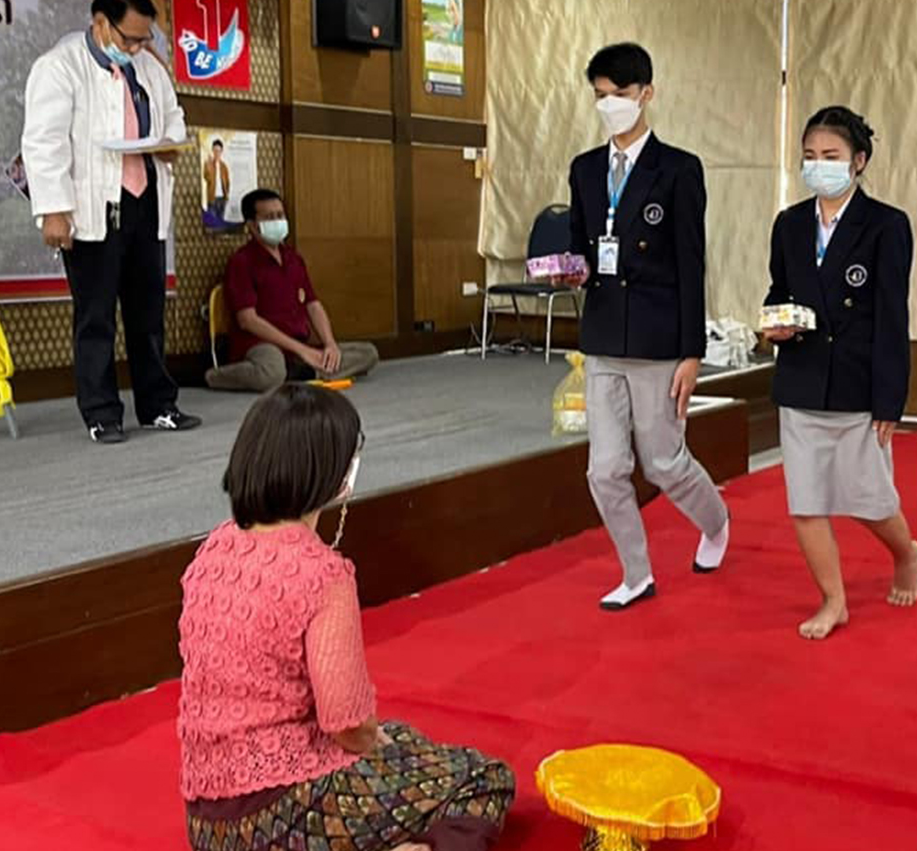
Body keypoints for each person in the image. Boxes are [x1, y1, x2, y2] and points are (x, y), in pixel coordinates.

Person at [178, 384, 515, 851]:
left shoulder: (213, 548)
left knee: (400, 739)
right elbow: (346, 724)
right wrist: (371, 744)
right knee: (481, 777)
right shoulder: (321, 574)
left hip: (206, 823)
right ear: (336, 477)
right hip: (287, 809)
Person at [558, 43, 730, 610]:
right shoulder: (584, 169)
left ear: (646, 94)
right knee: (604, 469)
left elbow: (690, 262)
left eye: (620, 96)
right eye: (601, 97)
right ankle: (636, 573)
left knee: (662, 461)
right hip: (605, 338)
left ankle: (716, 519)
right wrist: (570, 272)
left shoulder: (679, 169)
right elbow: (583, 245)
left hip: (659, 342)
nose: (610, 107)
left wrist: (691, 352)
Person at [762, 106, 917, 641]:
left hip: (858, 384)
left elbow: (892, 318)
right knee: (806, 501)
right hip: (802, 379)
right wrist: (773, 325)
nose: (818, 167)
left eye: (830, 157)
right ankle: (834, 600)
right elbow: (777, 294)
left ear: (858, 161)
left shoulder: (886, 226)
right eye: (809, 157)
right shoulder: (788, 224)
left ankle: (906, 552)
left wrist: (889, 401)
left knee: (870, 499)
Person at [22, 0, 200, 444]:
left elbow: (174, 121)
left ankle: (159, 405)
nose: (139, 47)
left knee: (148, 312)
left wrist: (170, 143)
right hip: (92, 204)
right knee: (96, 315)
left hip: (145, 199)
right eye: (131, 38)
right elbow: (43, 143)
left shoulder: (150, 68)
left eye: (146, 39)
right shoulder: (60, 67)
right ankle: (102, 413)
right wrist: (54, 210)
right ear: (101, 22)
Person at [205, 189, 381, 392]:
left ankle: (303, 370)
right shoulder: (241, 262)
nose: (277, 221)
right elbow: (248, 320)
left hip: (298, 346)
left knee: (368, 353)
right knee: (271, 372)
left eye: (280, 215)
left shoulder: (294, 259)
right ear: (252, 226)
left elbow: (313, 305)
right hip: (263, 346)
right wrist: (302, 351)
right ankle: (214, 376)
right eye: (269, 217)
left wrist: (330, 344)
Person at [204, 139, 230, 221]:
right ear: (212, 151)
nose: (217, 153)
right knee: (212, 222)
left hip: (222, 198)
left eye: (218, 151)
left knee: (221, 222)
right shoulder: (208, 164)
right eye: (215, 150)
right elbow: (207, 178)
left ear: (221, 151)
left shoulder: (224, 166)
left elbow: (228, 182)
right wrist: (209, 166)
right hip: (212, 198)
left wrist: (226, 194)